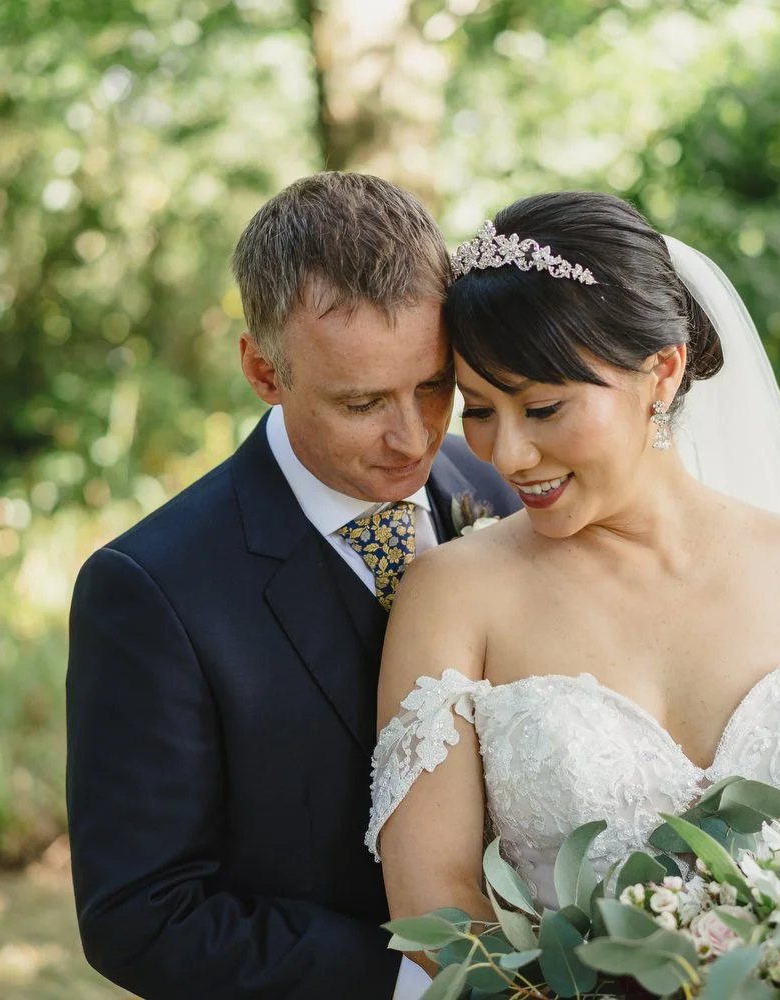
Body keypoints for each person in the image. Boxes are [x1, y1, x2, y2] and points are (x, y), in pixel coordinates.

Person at [367, 192, 780, 950]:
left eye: (542, 410)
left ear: (662, 373)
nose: (505, 456)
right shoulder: (454, 594)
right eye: (478, 409)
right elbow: (437, 904)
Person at [65, 172, 519, 999]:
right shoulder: (150, 590)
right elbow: (140, 913)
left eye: (432, 386)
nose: (412, 437)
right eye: (361, 402)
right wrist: (427, 982)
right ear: (263, 371)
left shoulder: (504, 491)